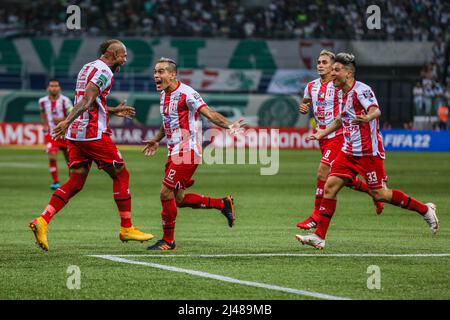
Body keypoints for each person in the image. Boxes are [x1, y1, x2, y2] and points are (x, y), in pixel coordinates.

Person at [296, 53, 439, 250]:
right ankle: (319, 236)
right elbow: (341, 118)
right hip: (348, 150)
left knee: (380, 194)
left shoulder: (362, 90)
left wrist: (368, 118)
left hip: (367, 153)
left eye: (336, 70)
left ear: (348, 73)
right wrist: (323, 133)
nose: (332, 73)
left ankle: (425, 210)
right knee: (330, 187)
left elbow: (375, 110)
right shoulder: (339, 92)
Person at [29, 39, 154, 251]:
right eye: (123, 55)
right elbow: (87, 100)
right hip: (92, 133)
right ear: (113, 54)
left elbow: (92, 100)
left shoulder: (88, 67)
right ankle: (126, 228)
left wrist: (111, 111)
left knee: (76, 181)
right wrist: (66, 121)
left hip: (76, 133)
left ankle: (42, 220)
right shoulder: (105, 72)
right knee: (121, 174)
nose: (125, 60)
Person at [143, 57, 245, 251]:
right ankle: (223, 204)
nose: (156, 75)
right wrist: (157, 139)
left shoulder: (187, 93)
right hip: (174, 151)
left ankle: (168, 241)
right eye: (155, 71)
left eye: (161, 71)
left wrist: (229, 125)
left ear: (173, 75)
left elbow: (210, 113)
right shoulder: (164, 94)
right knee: (179, 200)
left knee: (165, 193)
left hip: (187, 151)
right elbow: (169, 122)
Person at [296, 50, 383, 231]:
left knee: (322, 171)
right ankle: (375, 193)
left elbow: (350, 104)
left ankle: (315, 217)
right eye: (318, 62)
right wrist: (304, 106)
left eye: (325, 62)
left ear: (334, 67)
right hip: (323, 137)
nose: (320, 65)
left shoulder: (338, 87)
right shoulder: (311, 86)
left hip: (339, 135)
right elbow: (306, 102)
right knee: (342, 179)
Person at [39, 79, 73, 189]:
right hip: (52, 134)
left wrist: (61, 119)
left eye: (56, 86)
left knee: (69, 159)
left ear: (59, 88)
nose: (53, 88)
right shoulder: (42, 101)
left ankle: (72, 181)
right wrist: (44, 125)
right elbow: (43, 113)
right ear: (48, 88)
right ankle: (55, 182)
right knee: (52, 156)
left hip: (64, 133)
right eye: (51, 86)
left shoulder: (65, 101)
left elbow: (71, 115)